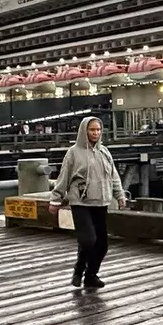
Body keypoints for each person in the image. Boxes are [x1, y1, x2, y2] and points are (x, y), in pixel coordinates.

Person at [52, 116, 127, 290]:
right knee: (88, 240)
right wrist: (55, 200)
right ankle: (79, 270)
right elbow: (63, 177)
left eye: (98, 130)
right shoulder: (73, 152)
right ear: (84, 130)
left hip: (101, 202)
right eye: (92, 129)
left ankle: (91, 275)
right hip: (80, 202)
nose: (95, 133)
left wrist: (120, 195)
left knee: (102, 245)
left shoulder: (104, 152)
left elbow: (113, 176)